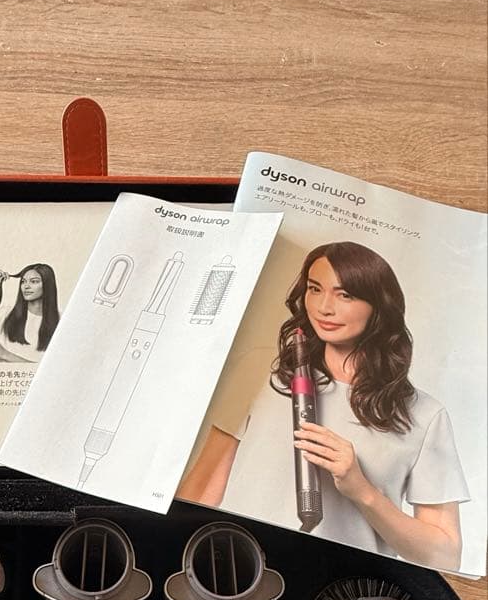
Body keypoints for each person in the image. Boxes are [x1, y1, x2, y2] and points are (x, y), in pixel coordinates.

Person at [177, 241, 469, 571]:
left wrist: (362, 490)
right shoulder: (260, 370)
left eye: (345, 295)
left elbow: (445, 556)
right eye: (315, 289)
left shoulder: (424, 415)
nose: (324, 308)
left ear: (379, 306)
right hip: (236, 572)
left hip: (341, 587)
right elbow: (201, 491)